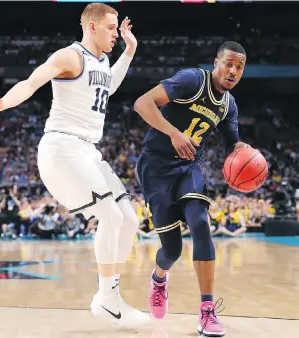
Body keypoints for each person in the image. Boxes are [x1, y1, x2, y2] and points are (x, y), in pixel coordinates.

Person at [0, 2, 149, 328]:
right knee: (110, 215)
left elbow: (107, 87)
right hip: (62, 148)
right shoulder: (69, 56)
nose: (116, 33)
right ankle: (108, 299)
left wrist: (129, 52)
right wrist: (3, 103)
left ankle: (108, 295)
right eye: (112, 28)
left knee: (128, 219)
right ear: (92, 26)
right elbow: (32, 82)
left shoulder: (103, 60)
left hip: (87, 152)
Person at [134, 41, 251, 337]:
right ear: (216, 63)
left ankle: (207, 311)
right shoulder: (192, 80)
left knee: (201, 223)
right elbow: (142, 103)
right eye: (229, 64)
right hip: (156, 167)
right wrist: (173, 133)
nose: (233, 71)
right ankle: (159, 279)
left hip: (189, 168)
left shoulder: (228, 105)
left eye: (239, 67)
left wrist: (243, 150)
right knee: (171, 250)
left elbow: (231, 144)